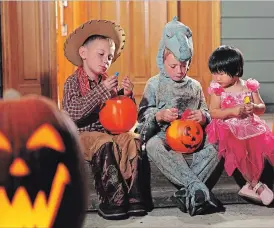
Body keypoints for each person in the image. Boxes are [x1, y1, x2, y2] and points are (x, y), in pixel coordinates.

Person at [136, 17, 222, 216]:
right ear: (162, 60)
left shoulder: (195, 86)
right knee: (152, 146)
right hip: (165, 136)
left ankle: (188, 191)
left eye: (184, 66)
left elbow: (207, 112)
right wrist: (159, 115)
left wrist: (203, 117)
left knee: (219, 141)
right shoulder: (154, 84)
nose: (179, 71)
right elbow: (142, 120)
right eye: (173, 66)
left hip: (193, 136)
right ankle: (197, 188)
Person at [62, 20, 147, 220]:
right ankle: (113, 198)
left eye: (109, 57)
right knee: (103, 141)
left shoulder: (107, 84)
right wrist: (102, 91)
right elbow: (74, 112)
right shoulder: (72, 82)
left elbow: (119, 115)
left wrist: (126, 95)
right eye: (101, 55)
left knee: (131, 138)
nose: (106, 61)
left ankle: (134, 197)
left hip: (107, 134)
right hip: (82, 136)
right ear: (83, 53)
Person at [206, 45, 274, 206]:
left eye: (221, 73)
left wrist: (253, 108)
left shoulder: (249, 86)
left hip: (249, 124)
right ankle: (257, 185)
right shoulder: (218, 90)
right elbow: (213, 112)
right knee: (239, 148)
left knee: (260, 147)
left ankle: (249, 186)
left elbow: (262, 108)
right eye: (214, 72)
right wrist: (232, 111)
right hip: (227, 125)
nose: (216, 77)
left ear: (236, 70)